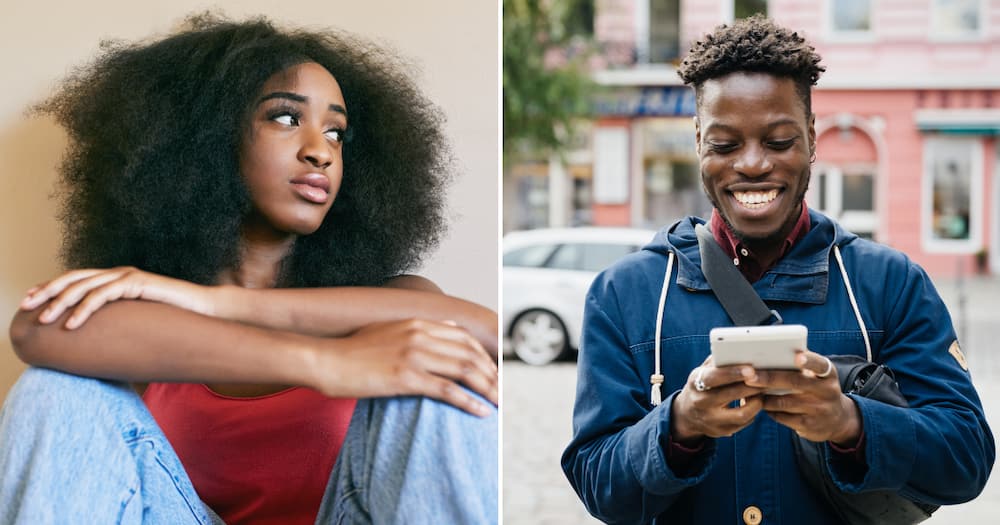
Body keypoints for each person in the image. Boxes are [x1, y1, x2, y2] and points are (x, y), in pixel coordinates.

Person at [0, 13, 498, 525]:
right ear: (207, 138)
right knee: (56, 391)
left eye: (336, 132)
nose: (320, 151)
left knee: (435, 368)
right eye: (285, 117)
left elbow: (486, 332)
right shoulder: (146, 318)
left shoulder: (387, 304)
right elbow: (39, 328)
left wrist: (226, 304)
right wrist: (328, 364)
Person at [561, 15, 994, 525]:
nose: (751, 164)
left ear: (812, 138)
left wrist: (851, 423)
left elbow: (966, 459)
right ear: (698, 141)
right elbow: (596, 483)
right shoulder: (622, 294)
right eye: (725, 144)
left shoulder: (891, 284)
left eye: (778, 141)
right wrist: (678, 425)